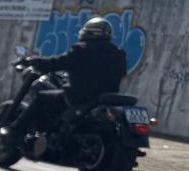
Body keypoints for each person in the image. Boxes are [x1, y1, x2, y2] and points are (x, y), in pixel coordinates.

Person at [13, 16, 129, 145]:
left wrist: (33, 61)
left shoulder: (82, 49)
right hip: (103, 98)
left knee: (42, 97)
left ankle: (14, 134)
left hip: (79, 97)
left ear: (89, 32)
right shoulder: (119, 53)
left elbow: (57, 63)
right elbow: (122, 73)